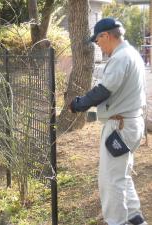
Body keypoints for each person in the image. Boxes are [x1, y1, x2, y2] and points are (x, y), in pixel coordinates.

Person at [70, 18, 147, 225]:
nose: (98, 46)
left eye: (97, 41)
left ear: (106, 35)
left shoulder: (121, 57)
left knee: (110, 181)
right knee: (121, 175)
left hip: (120, 126)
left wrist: (79, 104)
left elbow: (104, 90)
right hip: (130, 123)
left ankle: (117, 222)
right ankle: (135, 218)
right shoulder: (132, 54)